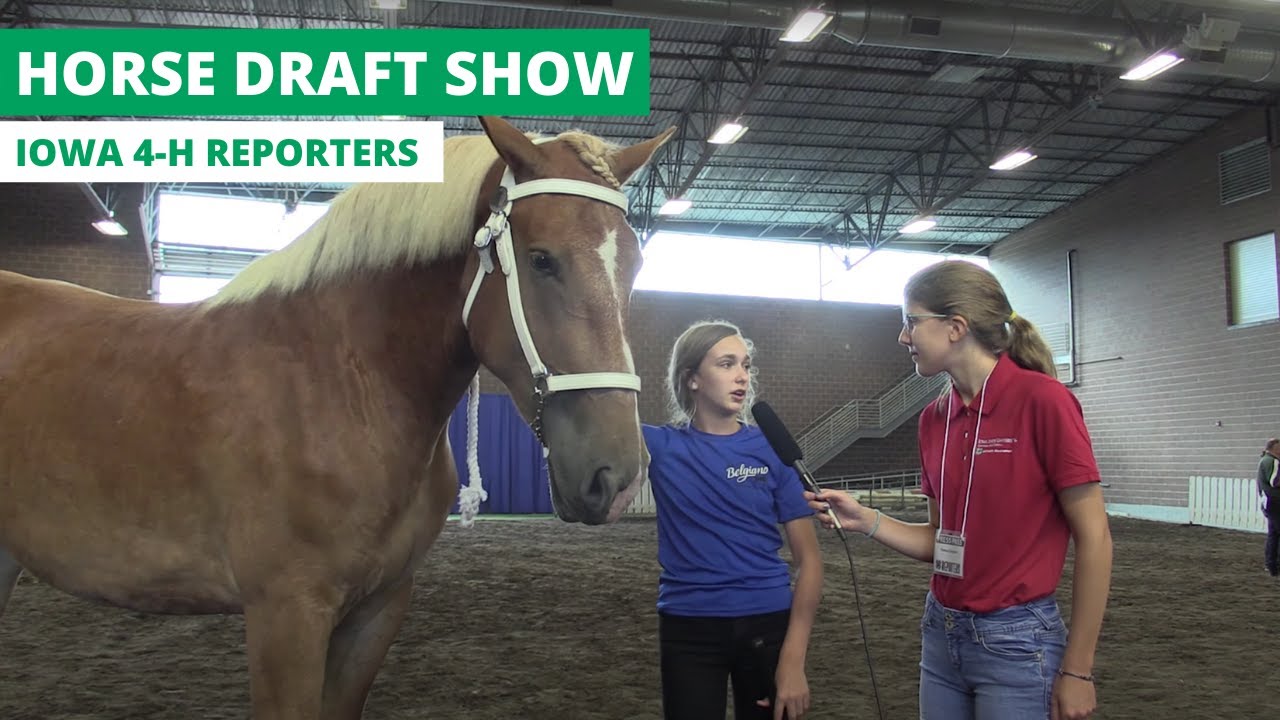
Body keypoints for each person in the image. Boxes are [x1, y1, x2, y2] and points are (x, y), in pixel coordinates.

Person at [807, 260, 1113, 720]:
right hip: (940, 633)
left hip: (1017, 641)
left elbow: (1096, 540)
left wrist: (1079, 670)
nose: (903, 337)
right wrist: (865, 519)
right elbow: (940, 541)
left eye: (911, 321)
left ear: (956, 327)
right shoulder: (933, 418)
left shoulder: (1044, 401)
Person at [642, 320, 823, 720]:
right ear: (692, 379)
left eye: (745, 365)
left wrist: (793, 663)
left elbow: (810, 562)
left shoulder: (773, 450)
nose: (741, 376)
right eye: (726, 364)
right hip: (687, 629)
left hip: (767, 625)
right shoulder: (657, 446)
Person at [1256, 438, 1280, 577]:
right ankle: (1274, 564)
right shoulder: (1272, 461)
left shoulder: (1264, 460)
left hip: (1269, 501)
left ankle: (1271, 564)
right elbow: (1275, 481)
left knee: (1273, 533)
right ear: (1275, 448)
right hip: (1276, 501)